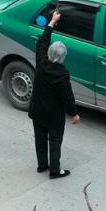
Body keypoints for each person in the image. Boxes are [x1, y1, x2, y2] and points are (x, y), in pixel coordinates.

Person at [28, 10, 79, 179]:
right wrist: (73, 114)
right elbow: (67, 96)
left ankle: (42, 165)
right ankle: (55, 170)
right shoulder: (62, 74)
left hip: (37, 110)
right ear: (63, 57)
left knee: (40, 138)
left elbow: (42, 42)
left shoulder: (41, 62)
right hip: (54, 115)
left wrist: (51, 22)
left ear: (49, 52)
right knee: (55, 140)